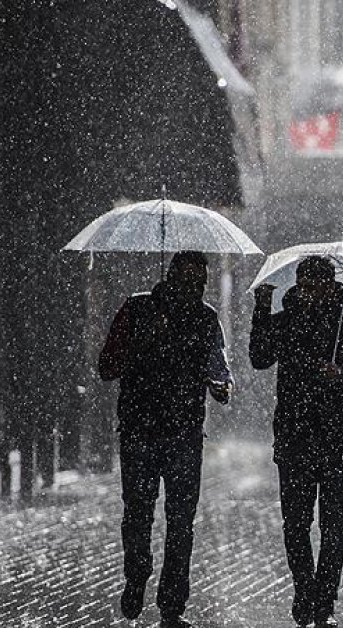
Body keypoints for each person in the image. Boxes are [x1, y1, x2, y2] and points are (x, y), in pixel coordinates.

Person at [250, 256, 343, 627]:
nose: (308, 293)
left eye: (315, 286)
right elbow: (260, 357)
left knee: (333, 527)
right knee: (295, 525)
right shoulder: (286, 322)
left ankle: (324, 601)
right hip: (294, 437)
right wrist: (262, 310)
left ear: (331, 286)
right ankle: (304, 589)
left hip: (339, 438)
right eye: (304, 285)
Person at [98, 251, 232, 627]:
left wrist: (221, 387)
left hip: (185, 434)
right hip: (140, 431)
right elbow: (106, 367)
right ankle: (137, 574)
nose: (194, 289)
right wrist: (143, 341)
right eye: (187, 280)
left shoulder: (206, 319)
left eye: (200, 282)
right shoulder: (137, 310)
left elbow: (219, 369)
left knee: (181, 521)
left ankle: (172, 606)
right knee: (137, 513)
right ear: (170, 277)